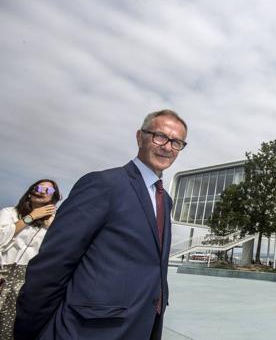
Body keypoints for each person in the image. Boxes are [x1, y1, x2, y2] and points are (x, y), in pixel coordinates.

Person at [15, 109, 188, 340]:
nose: (167, 147)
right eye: (160, 136)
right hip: (88, 330)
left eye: (177, 142)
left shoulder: (165, 200)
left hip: (140, 325)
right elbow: (53, 264)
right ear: (140, 137)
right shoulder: (103, 184)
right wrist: (31, 330)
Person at [0, 179, 60, 339]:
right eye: (39, 188)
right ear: (30, 192)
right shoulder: (9, 213)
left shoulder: (55, 223)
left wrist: (51, 228)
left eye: (48, 191)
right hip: (3, 272)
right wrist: (30, 217)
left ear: (54, 198)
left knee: (10, 326)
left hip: (26, 280)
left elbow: (57, 253)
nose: (42, 191)